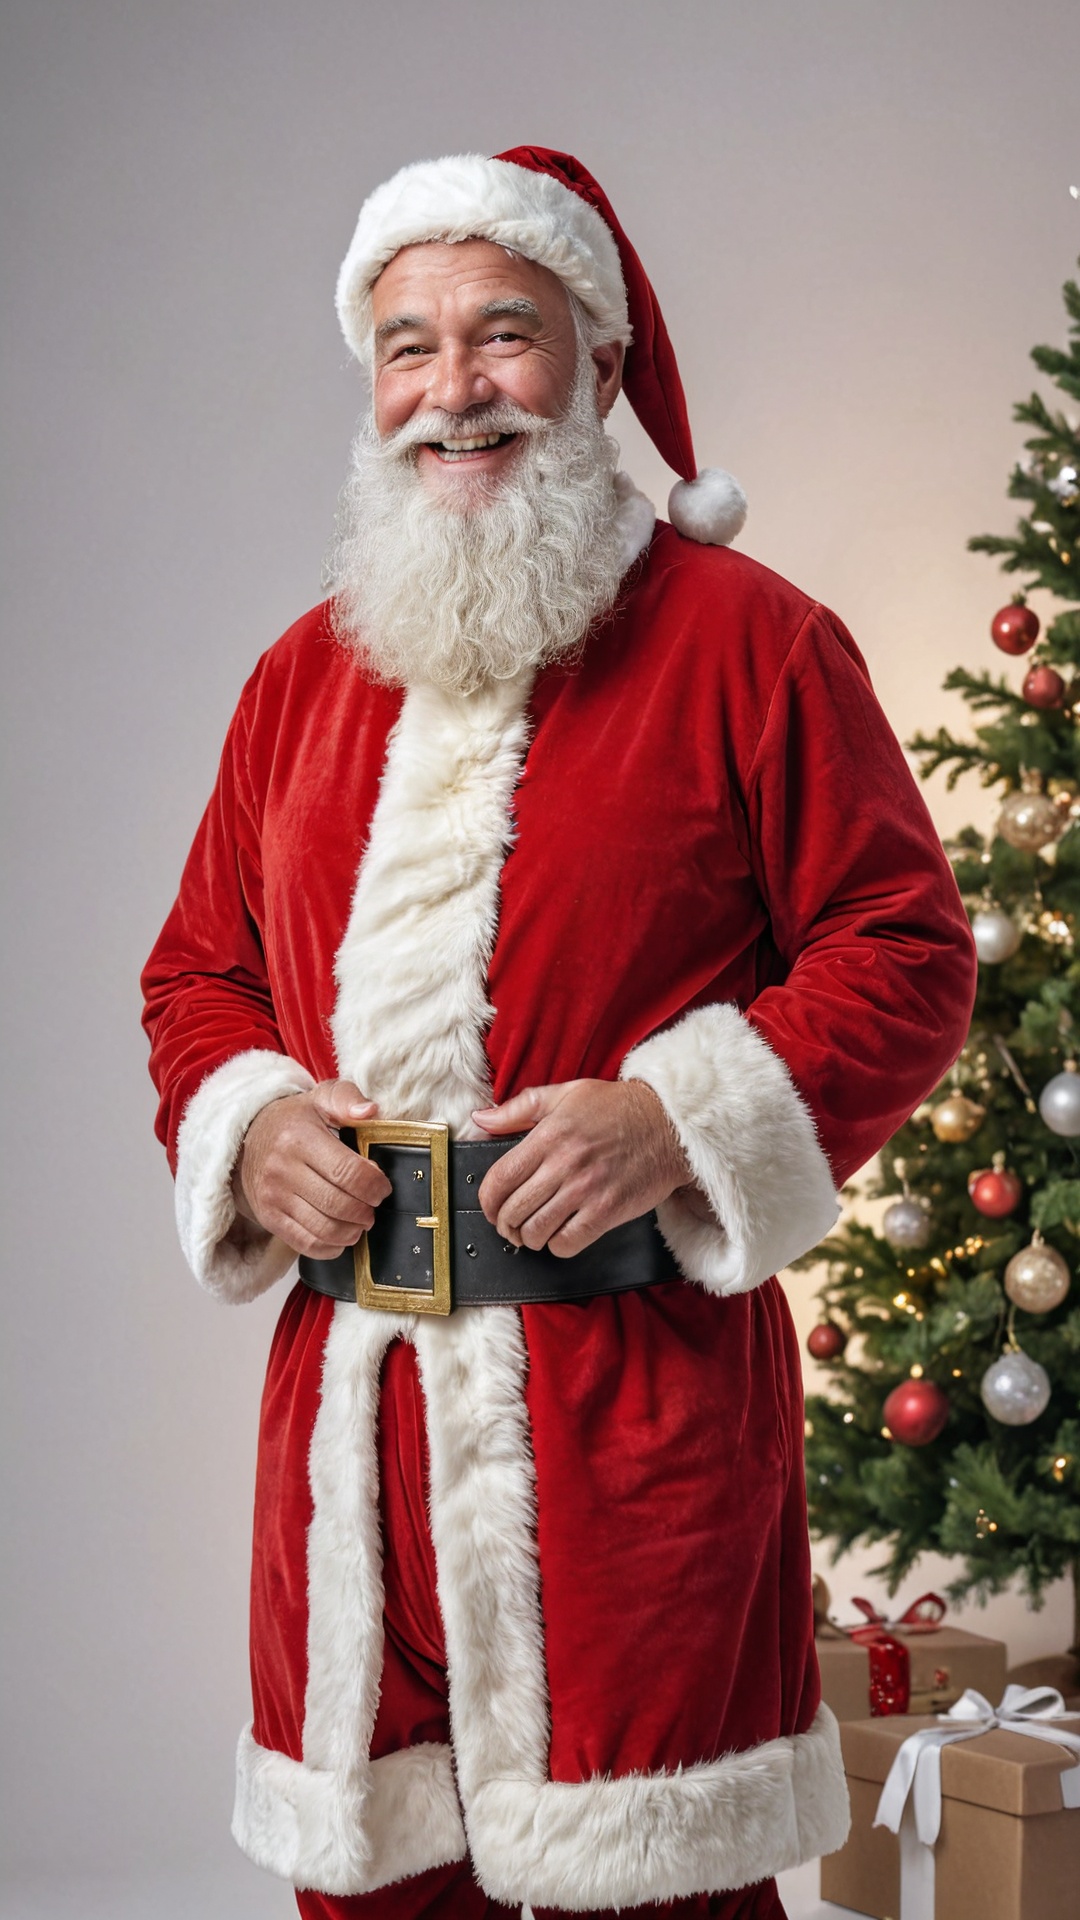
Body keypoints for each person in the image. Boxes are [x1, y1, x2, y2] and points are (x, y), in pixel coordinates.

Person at [142, 147, 978, 1919]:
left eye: (503, 336)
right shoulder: (301, 675)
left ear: (596, 362)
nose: (454, 392)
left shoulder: (755, 646)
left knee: (660, 1888)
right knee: (372, 1891)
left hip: (638, 1424)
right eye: (408, 347)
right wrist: (251, 1114)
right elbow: (195, 977)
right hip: (351, 1431)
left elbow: (903, 948)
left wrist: (679, 1117)